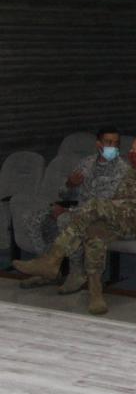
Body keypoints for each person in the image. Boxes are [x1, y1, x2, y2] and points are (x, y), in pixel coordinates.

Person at [14, 136, 136, 316]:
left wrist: (120, 206)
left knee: (95, 206)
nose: (130, 152)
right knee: (95, 232)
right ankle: (95, 292)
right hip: (122, 219)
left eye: (134, 149)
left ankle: (52, 259)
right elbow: (118, 197)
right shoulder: (133, 172)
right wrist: (117, 206)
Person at [19, 126, 129, 294]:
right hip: (77, 210)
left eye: (116, 143)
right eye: (108, 142)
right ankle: (48, 269)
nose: (112, 147)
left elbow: (105, 204)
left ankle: (76, 273)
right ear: (98, 144)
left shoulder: (122, 169)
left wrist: (68, 213)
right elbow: (64, 193)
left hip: (102, 217)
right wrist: (70, 184)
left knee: (65, 219)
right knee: (35, 218)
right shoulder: (86, 163)